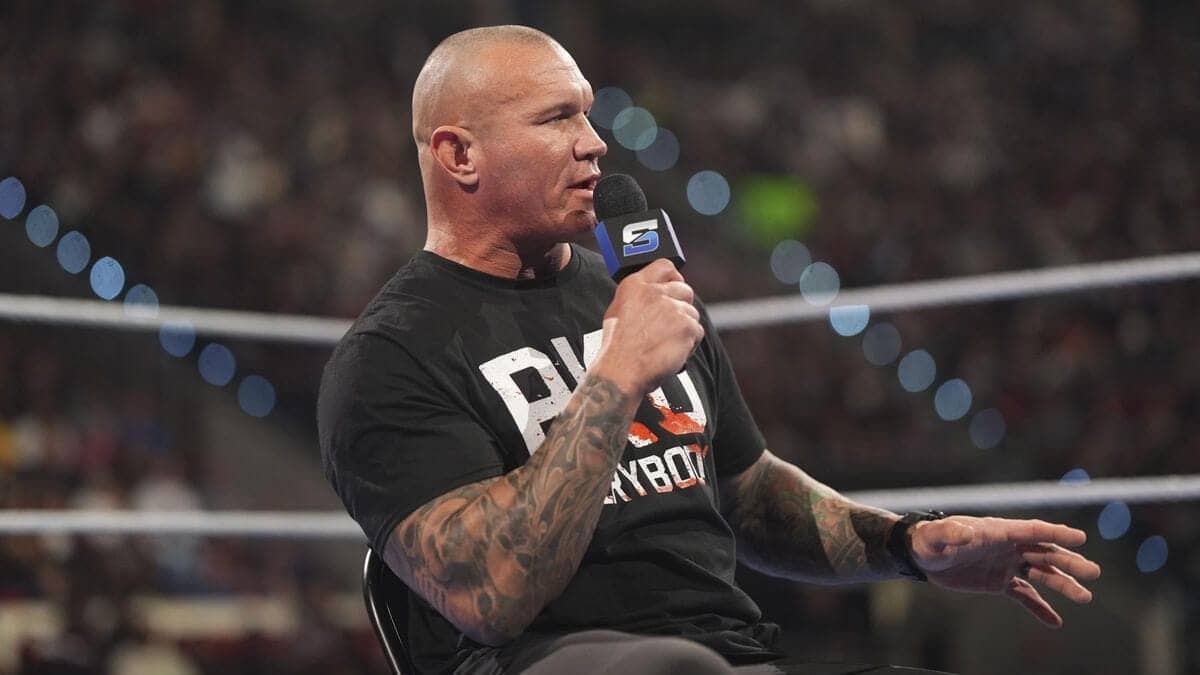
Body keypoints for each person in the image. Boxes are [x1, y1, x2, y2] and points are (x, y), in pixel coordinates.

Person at [317, 25, 1101, 675]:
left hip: (731, 648)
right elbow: (492, 593)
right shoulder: (390, 356)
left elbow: (748, 490)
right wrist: (616, 374)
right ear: (460, 155)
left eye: (588, 113)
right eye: (556, 119)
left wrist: (908, 543)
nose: (594, 143)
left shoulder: (636, 291)